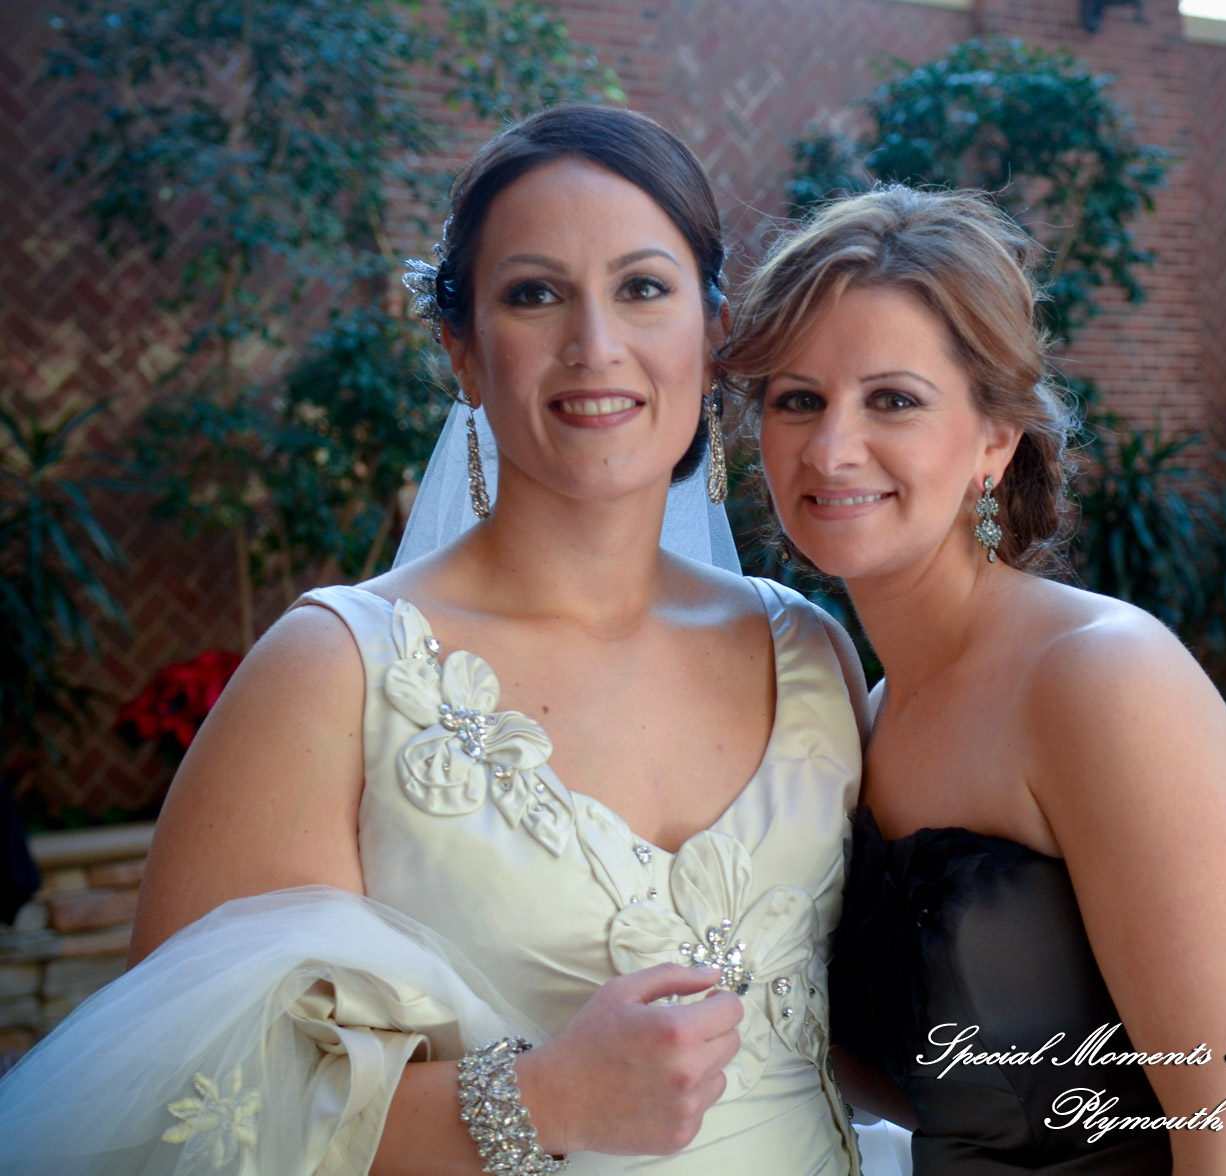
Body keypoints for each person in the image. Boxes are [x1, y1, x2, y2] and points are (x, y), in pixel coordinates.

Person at [0, 106, 867, 1176]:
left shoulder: (810, 651)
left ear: (713, 331)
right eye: (534, 294)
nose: (595, 345)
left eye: (643, 288)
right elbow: (180, 1103)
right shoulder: (337, 673)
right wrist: (540, 1101)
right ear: (461, 351)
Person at [721, 186, 1226, 1175]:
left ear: (995, 440)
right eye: (798, 400)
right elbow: (954, 1091)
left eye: (893, 400)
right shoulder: (861, 719)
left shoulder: (1100, 678)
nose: (831, 448)